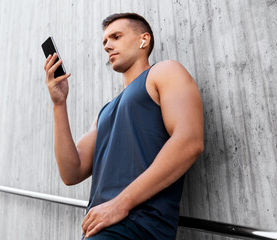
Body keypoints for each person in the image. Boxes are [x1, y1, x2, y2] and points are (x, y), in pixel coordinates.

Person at [44, 12, 204, 240]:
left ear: (143, 40)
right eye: (105, 42)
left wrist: (120, 204)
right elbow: (72, 172)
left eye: (116, 37)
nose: (107, 46)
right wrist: (59, 104)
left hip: (138, 227)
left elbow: (190, 141)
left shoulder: (165, 72)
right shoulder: (104, 113)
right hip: (99, 228)